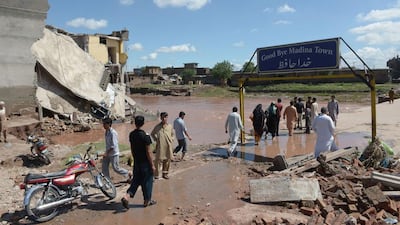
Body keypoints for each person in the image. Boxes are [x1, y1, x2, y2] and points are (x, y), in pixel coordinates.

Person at [121, 115, 156, 209]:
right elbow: (149, 152)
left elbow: (132, 149)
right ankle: (147, 201)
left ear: (135, 123)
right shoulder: (145, 136)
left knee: (136, 181)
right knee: (147, 181)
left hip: (137, 162)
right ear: (143, 123)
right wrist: (152, 165)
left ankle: (126, 196)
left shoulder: (131, 134)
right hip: (145, 163)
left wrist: (134, 158)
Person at [101, 117, 131, 182]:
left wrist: (106, 153)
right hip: (108, 152)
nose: (103, 125)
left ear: (109, 124)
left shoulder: (113, 133)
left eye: (104, 124)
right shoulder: (106, 132)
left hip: (113, 153)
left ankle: (127, 173)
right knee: (104, 167)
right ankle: (107, 181)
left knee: (116, 168)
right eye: (103, 124)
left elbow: (113, 146)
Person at [151, 112, 174, 179]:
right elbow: (152, 134)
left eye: (165, 117)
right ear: (160, 118)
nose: (164, 119)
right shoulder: (157, 127)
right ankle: (156, 175)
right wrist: (156, 140)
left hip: (168, 146)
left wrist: (171, 140)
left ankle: (165, 174)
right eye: (163, 117)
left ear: (167, 118)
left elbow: (173, 135)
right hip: (160, 146)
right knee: (158, 161)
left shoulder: (170, 126)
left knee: (167, 160)